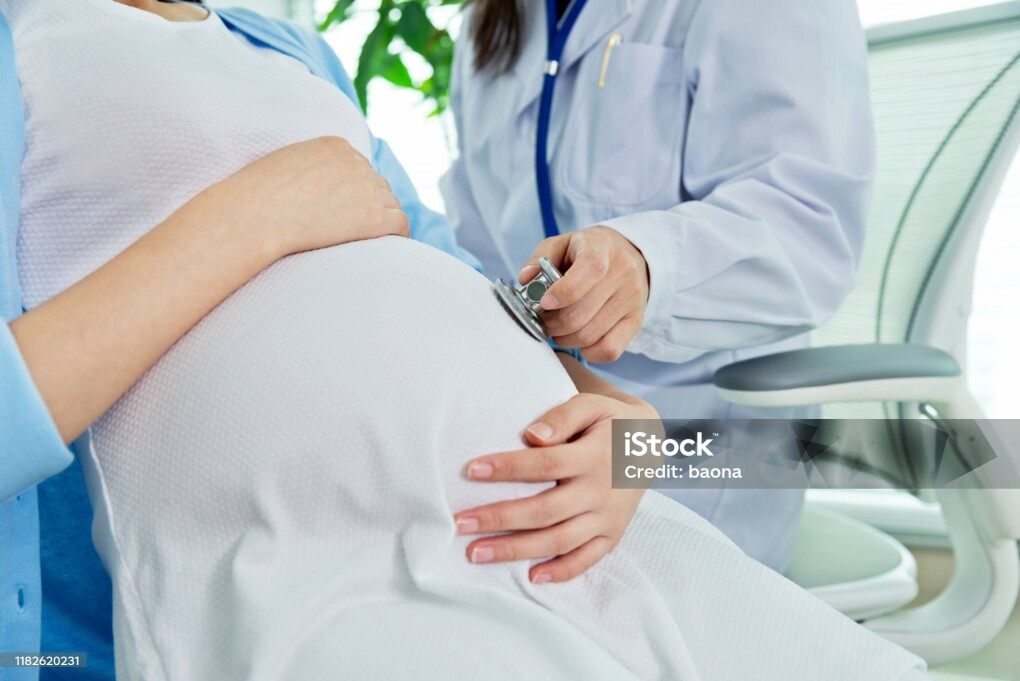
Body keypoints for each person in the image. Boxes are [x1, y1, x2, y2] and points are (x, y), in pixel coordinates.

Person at [2, 3, 928, 676]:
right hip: (365, 547)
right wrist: (257, 218)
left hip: (676, 464)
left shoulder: (288, 52)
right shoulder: (494, 30)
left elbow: (808, 230)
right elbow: (469, 268)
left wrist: (628, 414)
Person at [0, 1, 643, 677]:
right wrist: (255, 217)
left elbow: (483, 302)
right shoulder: (31, 46)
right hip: (322, 608)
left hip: (565, 550)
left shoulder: (296, 54)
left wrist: (641, 440)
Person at [442, 0, 876, 570]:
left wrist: (648, 267)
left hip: (700, 438)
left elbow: (811, 230)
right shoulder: (495, 17)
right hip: (545, 412)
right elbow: (474, 243)